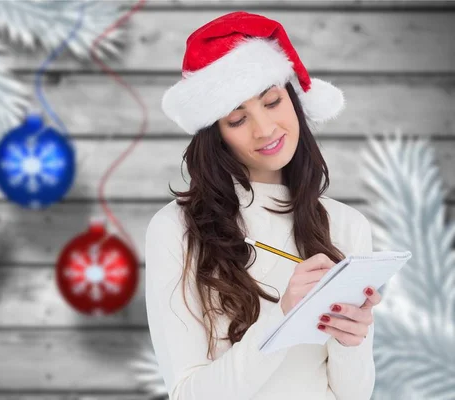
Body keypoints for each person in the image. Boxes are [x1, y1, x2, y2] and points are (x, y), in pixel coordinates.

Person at [144, 11, 382, 400]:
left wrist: (349, 341)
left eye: (272, 101)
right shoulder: (177, 228)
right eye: (238, 119)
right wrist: (283, 317)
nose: (265, 129)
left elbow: (352, 396)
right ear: (216, 135)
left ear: (293, 98)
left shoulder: (346, 225)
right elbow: (188, 393)